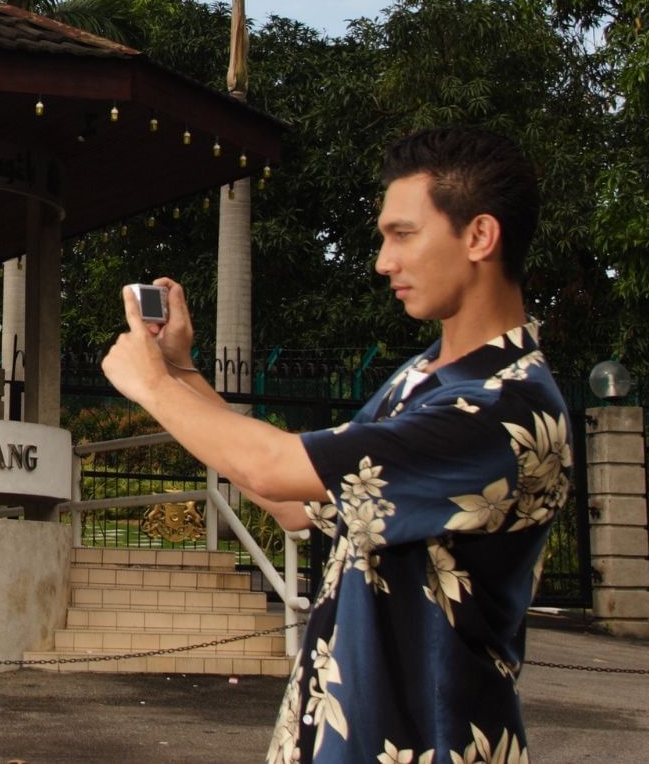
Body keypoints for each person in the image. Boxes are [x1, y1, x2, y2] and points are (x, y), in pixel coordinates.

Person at [103, 127, 570, 763]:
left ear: (479, 236)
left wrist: (153, 386)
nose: (384, 261)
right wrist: (182, 371)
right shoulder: (424, 379)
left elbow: (272, 468)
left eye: (402, 234)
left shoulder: (503, 409)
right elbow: (295, 500)